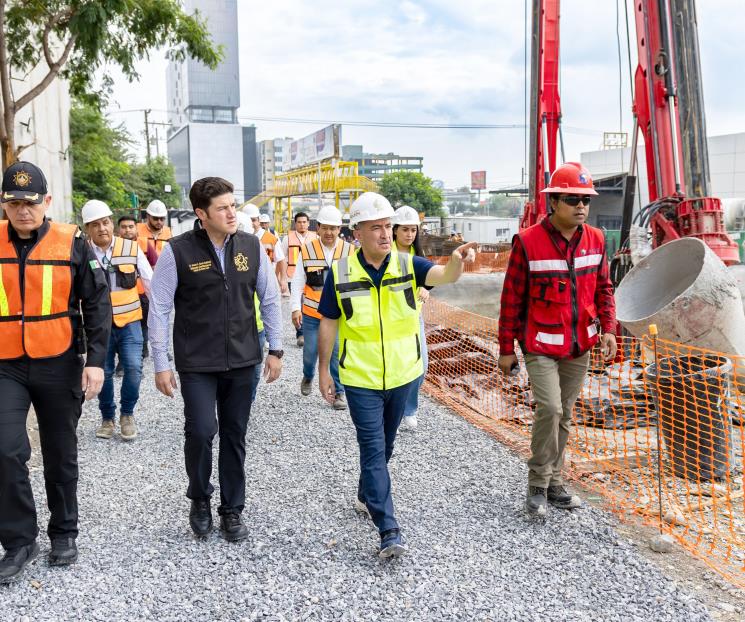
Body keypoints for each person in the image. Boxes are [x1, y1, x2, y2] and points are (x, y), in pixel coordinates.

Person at [316, 192, 478, 558]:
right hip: (360, 378)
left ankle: (366, 492)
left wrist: (456, 262)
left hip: (404, 373)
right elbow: (328, 319)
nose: (385, 234)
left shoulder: (408, 265)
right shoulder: (340, 273)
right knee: (373, 450)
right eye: (376, 228)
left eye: (388, 226)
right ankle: (389, 529)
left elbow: (445, 275)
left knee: (386, 446)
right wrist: (325, 369)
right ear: (357, 232)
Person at [149, 177, 283, 542]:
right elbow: (159, 308)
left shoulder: (251, 247)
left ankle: (232, 509)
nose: (231, 213)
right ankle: (200, 499)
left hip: (243, 359)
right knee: (202, 431)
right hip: (197, 363)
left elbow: (269, 299)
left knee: (235, 435)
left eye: (233, 205)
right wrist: (160, 363)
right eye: (222, 208)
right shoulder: (177, 252)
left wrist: (275, 348)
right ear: (201, 214)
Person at [0, 162, 111, 583]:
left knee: (60, 453)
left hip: (59, 361)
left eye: (30, 203)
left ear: (46, 202)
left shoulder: (71, 242)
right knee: (5, 449)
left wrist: (96, 361)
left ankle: (64, 532)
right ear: (4, 204)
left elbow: (97, 304)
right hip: (5, 364)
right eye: (14, 203)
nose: (23, 211)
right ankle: (18, 541)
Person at [497, 162, 617, 517]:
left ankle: (554, 483)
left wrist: (609, 328)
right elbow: (511, 299)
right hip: (539, 344)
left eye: (585, 201)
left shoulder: (595, 239)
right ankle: (536, 484)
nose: (581, 207)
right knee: (550, 408)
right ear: (553, 202)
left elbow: (604, 288)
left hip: (580, 344)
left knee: (565, 415)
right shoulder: (528, 242)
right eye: (572, 199)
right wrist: (506, 349)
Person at [82, 200, 153, 441]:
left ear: (111, 223)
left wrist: (159, 314)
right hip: (98, 326)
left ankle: (127, 415)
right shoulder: (83, 251)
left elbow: (149, 279)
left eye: (105, 222)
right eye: (95, 225)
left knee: (133, 368)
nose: (101, 228)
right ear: (87, 229)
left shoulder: (131, 248)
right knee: (104, 371)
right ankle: (107, 418)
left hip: (131, 322)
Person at [290, 206, 353, 410]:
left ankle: (339, 393)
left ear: (339, 229)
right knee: (310, 352)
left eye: (333, 228)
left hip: (336, 316)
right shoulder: (307, 249)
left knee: (335, 352)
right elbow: (298, 279)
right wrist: (294, 308)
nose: (329, 232)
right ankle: (308, 376)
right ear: (318, 227)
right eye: (325, 228)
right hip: (312, 314)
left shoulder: (350, 251)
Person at [392, 205, 429, 432]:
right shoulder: (386, 253)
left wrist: (426, 287)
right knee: (396, 369)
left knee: (421, 366)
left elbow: (430, 276)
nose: (409, 234)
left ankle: (410, 409)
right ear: (395, 230)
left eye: (413, 230)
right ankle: (394, 414)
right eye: (405, 229)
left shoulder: (418, 256)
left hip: (415, 319)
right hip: (391, 320)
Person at [137, 199, 172, 359]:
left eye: (162, 219)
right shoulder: (137, 231)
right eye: (155, 218)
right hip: (141, 284)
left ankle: (163, 350)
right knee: (143, 318)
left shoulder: (168, 233)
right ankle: (143, 347)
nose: (159, 222)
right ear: (148, 216)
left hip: (163, 283)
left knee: (162, 316)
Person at [282, 211, 317, 346]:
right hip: (292, 276)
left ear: (308, 223)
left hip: (312, 277)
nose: (302, 224)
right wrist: (283, 279)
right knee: (299, 305)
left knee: (310, 305)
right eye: (299, 222)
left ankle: (312, 332)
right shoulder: (288, 239)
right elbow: (283, 258)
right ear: (295, 224)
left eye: (304, 222)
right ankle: (301, 334)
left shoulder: (316, 237)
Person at [243, 205, 288, 293]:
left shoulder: (271, 238)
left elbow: (281, 259)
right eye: (249, 220)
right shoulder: (238, 238)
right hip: (246, 282)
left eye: (254, 220)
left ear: (259, 220)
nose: (251, 224)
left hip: (267, 281)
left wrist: (283, 279)